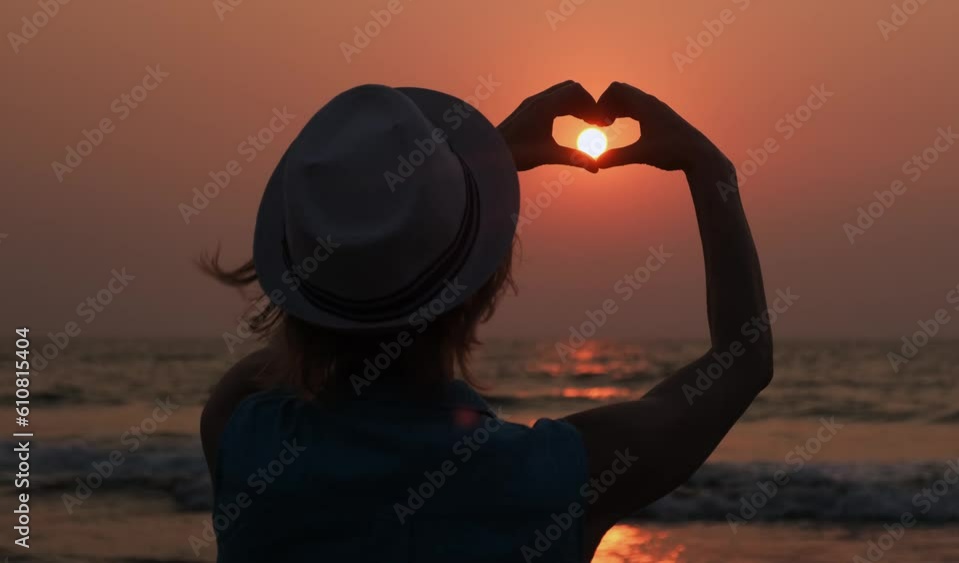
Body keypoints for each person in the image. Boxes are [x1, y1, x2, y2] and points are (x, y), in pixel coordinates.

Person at [200, 81, 772, 562]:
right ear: (485, 287)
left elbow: (284, 359)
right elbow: (742, 360)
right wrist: (710, 169)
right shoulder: (551, 481)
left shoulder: (243, 438)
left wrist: (469, 184)